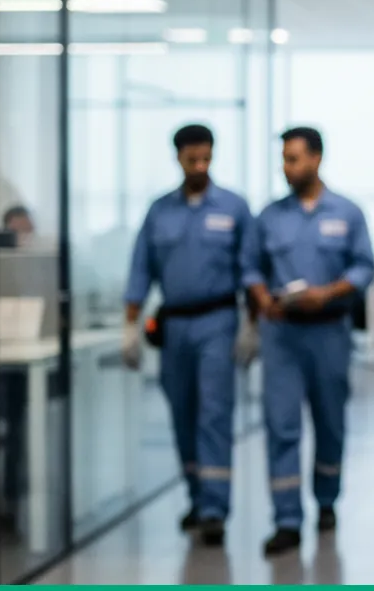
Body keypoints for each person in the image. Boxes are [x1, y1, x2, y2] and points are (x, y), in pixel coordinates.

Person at [121, 124, 260, 547]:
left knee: (214, 414)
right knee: (182, 414)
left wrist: (251, 324)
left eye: (206, 158)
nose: (200, 166)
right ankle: (197, 498)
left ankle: (216, 509)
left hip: (217, 321)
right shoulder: (159, 211)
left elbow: (249, 268)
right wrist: (130, 324)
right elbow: (141, 269)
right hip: (174, 325)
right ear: (178, 158)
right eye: (191, 159)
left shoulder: (234, 208)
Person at [247, 126, 374, 556]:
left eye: (295, 158)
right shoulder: (269, 217)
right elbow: (250, 268)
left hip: (329, 333)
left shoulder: (347, 213)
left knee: (329, 422)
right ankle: (286, 519)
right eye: (284, 159)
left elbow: (363, 268)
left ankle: (326, 502)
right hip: (281, 334)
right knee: (281, 426)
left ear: (317, 158)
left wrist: (328, 292)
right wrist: (262, 295)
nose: (288, 167)